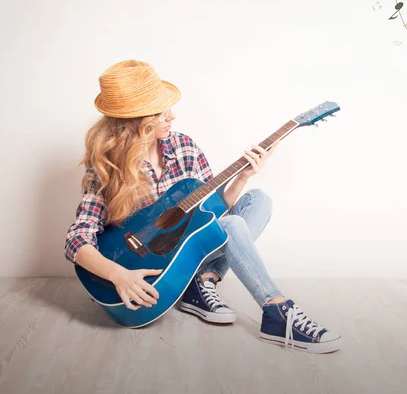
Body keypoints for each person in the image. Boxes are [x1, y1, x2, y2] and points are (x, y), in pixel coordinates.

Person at [64, 60, 341, 354]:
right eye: (161, 112)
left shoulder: (184, 146)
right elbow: (77, 239)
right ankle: (276, 311)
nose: (172, 116)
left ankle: (202, 282)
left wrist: (242, 177)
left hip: (189, 249)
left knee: (259, 200)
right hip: (149, 266)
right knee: (234, 225)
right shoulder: (107, 168)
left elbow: (211, 216)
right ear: (138, 122)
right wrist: (118, 274)